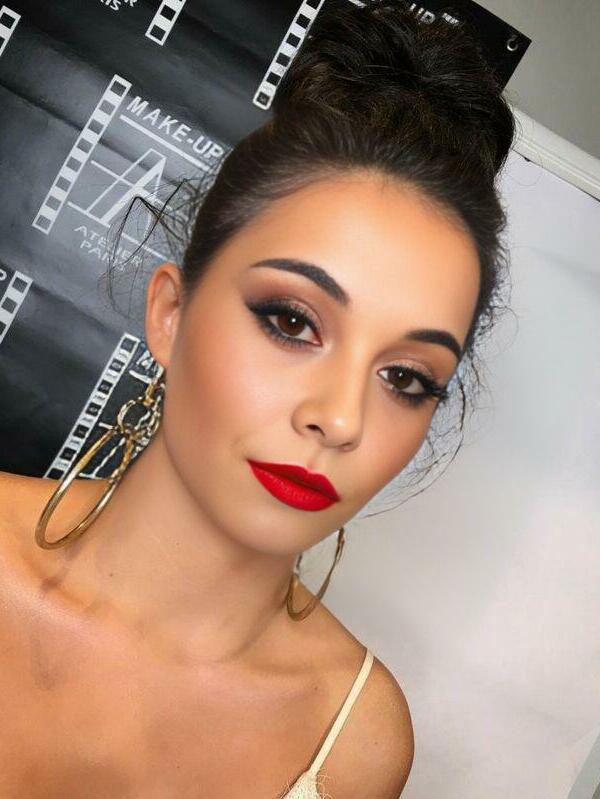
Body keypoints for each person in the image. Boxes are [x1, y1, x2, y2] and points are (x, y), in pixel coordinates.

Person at [0, 0, 516, 796]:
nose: (339, 418)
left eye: (405, 378)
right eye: (292, 321)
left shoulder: (353, 741)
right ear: (170, 314)